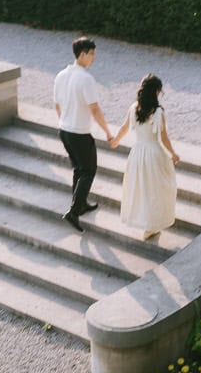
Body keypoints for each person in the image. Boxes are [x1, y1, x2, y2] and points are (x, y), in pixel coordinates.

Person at [110, 74, 180, 240]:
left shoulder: (134, 108)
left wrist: (115, 141)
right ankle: (153, 224)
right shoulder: (158, 112)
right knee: (158, 189)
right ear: (156, 91)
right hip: (154, 154)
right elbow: (163, 138)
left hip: (137, 153)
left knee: (141, 189)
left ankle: (145, 222)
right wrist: (173, 154)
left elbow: (124, 128)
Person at [54, 37, 113, 233]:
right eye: (92, 54)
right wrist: (107, 132)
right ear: (83, 54)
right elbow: (95, 109)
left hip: (65, 131)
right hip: (79, 133)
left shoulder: (61, 75)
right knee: (89, 170)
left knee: (79, 170)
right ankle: (73, 211)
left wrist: (65, 121)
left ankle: (81, 203)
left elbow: (57, 104)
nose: (94, 58)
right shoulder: (86, 79)